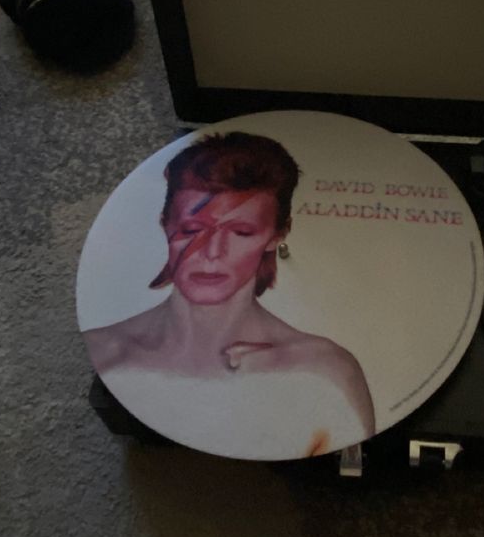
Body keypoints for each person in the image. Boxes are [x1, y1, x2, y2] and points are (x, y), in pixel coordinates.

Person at [84, 131, 375, 455]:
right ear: (165, 223)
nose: (212, 252)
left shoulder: (326, 371)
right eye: (192, 230)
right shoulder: (107, 347)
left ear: (277, 234)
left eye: (241, 232)